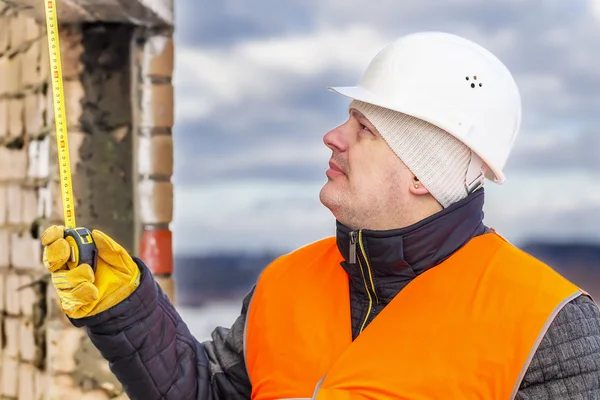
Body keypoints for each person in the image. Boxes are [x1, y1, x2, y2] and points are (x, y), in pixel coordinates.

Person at [41, 31, 600, 400]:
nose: (333, 137)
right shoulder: (284, 285)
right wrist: (128, 309)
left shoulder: (548, 326)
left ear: (421, 174)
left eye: (365, 130)